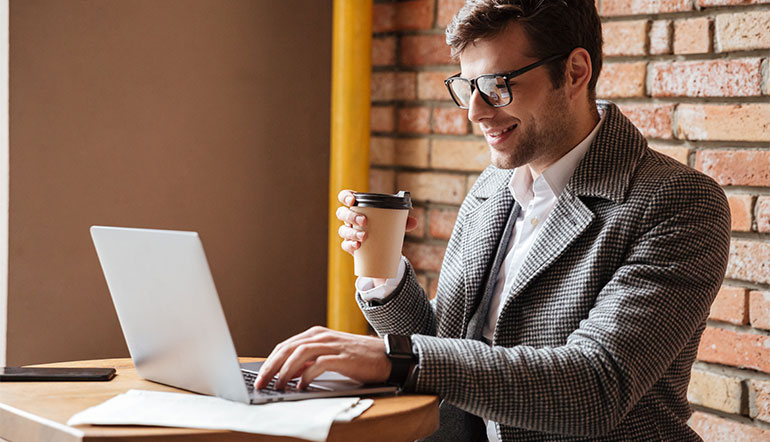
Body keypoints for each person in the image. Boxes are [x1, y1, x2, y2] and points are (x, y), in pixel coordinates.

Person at [256, 0, 731, 440]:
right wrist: (385, 277)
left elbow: (595, 385)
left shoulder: (677, 202)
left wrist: (392, 359)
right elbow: (446, 344)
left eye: (498, 86)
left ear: (575, 72)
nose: (475, 112)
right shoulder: (493, 187)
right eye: (467, 86)